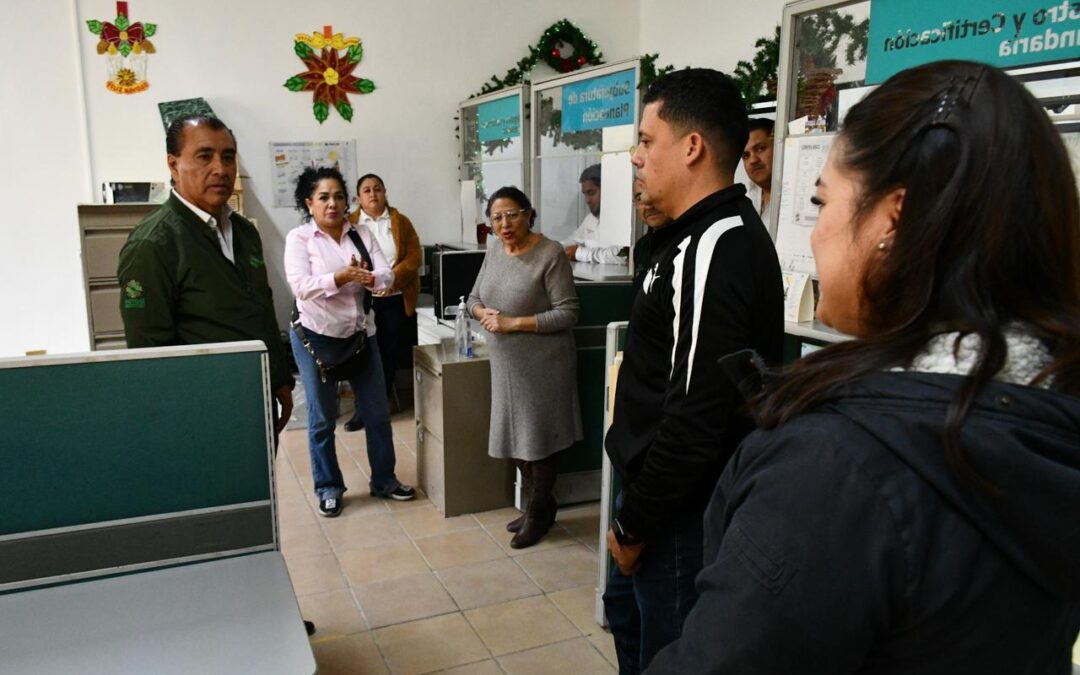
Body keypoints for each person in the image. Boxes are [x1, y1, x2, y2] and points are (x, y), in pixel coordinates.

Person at [646, 61, 1080, 674]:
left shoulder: (838, 469)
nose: (816, 232)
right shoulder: (1045, 413)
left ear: (891, 218)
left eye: (823, 201)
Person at [603, 68, 784, 674]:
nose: (635, 157)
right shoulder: (682, 238)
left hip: (679, 512)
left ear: (692, 146)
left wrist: (635, 523)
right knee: (629, 624)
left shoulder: (718, 243)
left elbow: (697, 414)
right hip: (655, 496)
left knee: (671, 651)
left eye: (646, 141)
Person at [117, 113, 310, 632]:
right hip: (198, 424)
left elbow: (262, 307)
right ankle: (220, 629)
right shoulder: (153, 246)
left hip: (253, 407)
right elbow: (150, 358)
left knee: (256, 515)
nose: (219, 167)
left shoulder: (243, 232)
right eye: (204, 155)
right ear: (173, 165)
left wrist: (283, 379)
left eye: (227, 156)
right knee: (208, 529)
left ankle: (263, 614)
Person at [284, 167, 415, 518]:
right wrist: (340, 277)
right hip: (315, 339)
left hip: (360, 336)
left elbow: (387, 272)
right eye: (324, 197)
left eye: (339, 196)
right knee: (323, 419)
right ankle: (328, 487)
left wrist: (370, 276)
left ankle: (384, 480)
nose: (332, 203)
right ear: (309, 203)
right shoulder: (300, 239)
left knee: (377, 413)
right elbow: (301, 286)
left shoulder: (361, 233)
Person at [467, 186, 583, 549]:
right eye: (496, 218)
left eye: (512, 215)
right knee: (515, 440)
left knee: (540, 441)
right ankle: (543, 506)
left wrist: (513, 323)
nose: (504, 224)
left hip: (544, 365)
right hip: (506, 366)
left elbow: (568, 312)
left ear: (529, 214)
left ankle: (537, 514)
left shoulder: (550, 254)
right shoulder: (494, 250)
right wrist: (480, 312)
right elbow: (474, 298)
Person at [342, 174, 422, 432]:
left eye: (377, 189)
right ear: (358, 198)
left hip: (394, 300)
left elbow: (414, 257)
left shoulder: (400, 222)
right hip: (362, 300)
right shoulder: (349, 224)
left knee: (387, 354)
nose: (373, 194)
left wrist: (392, 282)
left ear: (385, 192)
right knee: (360, 353)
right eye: (366, 190)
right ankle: (361, 410)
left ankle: (379, 405)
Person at [564, 164, 627, 265]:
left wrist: (580, 253)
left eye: (591, 193)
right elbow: (574, 241)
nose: (587, 200)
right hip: (589, 279)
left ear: (607, 190)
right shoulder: (591, 219)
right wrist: (551, 247)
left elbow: (624, 255)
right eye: (585, 194)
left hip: (615, 281)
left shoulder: (625, 219)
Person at [630, 177, 671, 293]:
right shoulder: (641, 246)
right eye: (640, 198)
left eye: (654, 195)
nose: (648, 205)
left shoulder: (686, 243)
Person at [742, 117, 774, 229]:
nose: (753, 160)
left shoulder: (793, 197)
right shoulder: (748, 194)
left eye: (760, 149)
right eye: (746, 156)